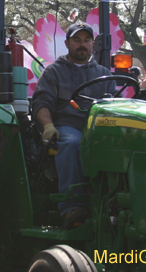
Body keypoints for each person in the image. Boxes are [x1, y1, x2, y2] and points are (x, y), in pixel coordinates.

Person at [31, 21, 115, 229]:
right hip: (67, 126)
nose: (82, 45)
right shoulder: (54, 72)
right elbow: (42, 102)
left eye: (86, 40)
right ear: (67, 43)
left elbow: (114, 104)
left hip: (98, 128)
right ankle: (72, 207)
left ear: (93, 44)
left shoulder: (103, 73)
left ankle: (114, 204)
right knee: (72, 143)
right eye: (77, 40)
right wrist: (48, 126)